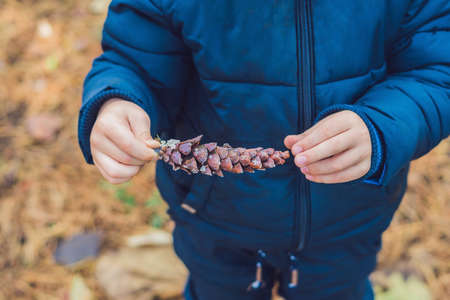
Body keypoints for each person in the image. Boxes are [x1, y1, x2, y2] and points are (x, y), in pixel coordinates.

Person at [78, 1, 450, 299]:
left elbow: (437, 69)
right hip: (216, 224)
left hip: (344, 224)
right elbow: (134, 62)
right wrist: (118, 101)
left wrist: (383, 126)